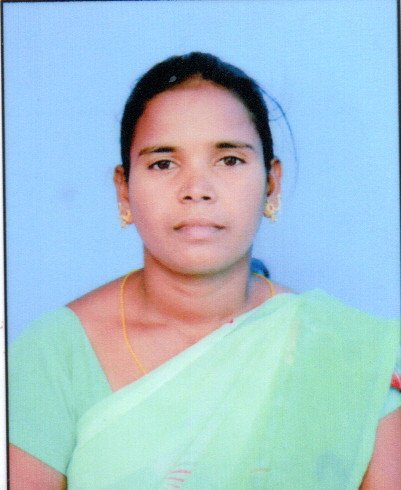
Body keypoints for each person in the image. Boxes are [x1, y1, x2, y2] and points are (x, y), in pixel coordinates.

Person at [9, 52, 401, 489]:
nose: (196, 189)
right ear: (124, 190)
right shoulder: (54, 356)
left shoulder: (351, 354)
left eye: (229, 160)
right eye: (163, 163)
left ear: (271, 185)